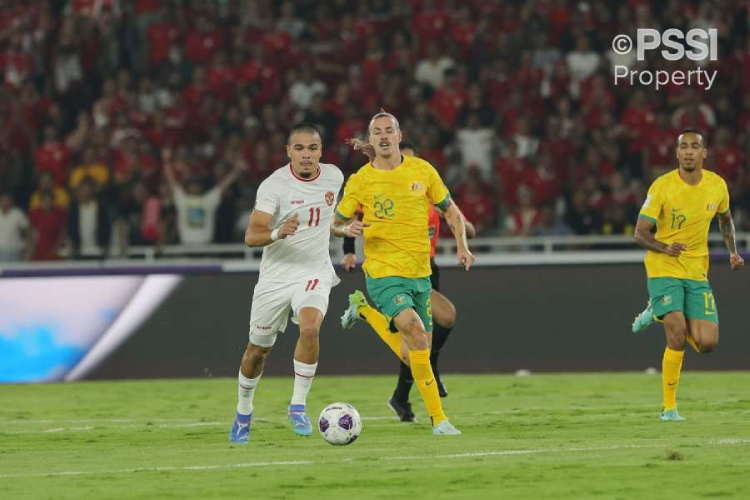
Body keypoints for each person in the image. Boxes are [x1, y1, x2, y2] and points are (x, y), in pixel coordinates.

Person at [333, 112, 475, 435]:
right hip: (383, 272)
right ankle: (439, 420)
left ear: (399, 135)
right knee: (415, 330)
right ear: (371, 140)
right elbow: (334, 222)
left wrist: (462, 246)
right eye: (377, 132)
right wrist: (345, 229)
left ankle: (365, 311)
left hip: (419, 274)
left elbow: (451, 210)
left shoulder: (422, 171)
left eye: (389, 130)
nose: (383, 136)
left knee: (413, 353)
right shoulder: (360, 180)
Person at [229, 123, 363, 444]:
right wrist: (278, 232)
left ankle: (298, 405)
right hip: (276, 277)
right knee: (257, 352)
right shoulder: (274, 186)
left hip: (313, 271)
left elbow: (322, 218)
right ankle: (243, 412)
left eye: (312, 148)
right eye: (299, 148)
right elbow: (252, 235)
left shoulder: (333, 176)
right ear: (288, 151)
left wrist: (341, 230)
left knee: (310, 328)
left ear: (321, 151)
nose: (306, 155)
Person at [631, 129, 743, 421]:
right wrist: (664, 247)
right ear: (677, 154)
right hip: (663, 265)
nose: (689, 151)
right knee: (677, 333)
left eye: (695, 147)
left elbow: (726, 221)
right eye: (684, 147)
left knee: (707, 343)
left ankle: (656, 310)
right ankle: (669, 409)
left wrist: (733, 251)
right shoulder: (662, 187)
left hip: (696, 270)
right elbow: (640, 234)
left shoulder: (717, 186)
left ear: (704, 153)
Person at [162, 149, 242, 245]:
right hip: (186, 248)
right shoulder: (182, 200)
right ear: (188, 186)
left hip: (206, 247)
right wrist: (166, 161)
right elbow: (171, 181)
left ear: (201, 186)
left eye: (197, 184)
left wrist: (237, 170)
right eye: (193, 184)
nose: (195, 187)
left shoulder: (207, 200)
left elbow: (223, 186)